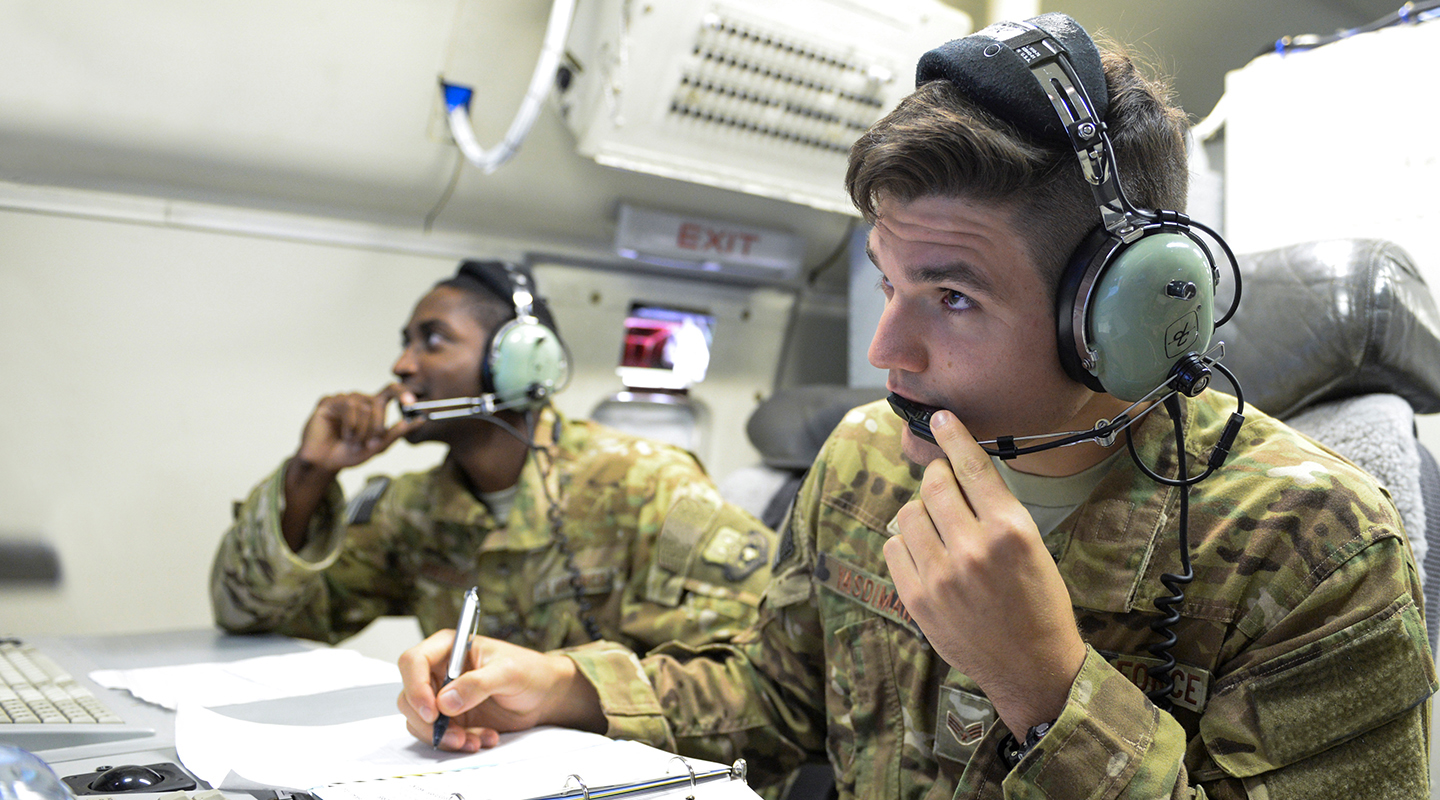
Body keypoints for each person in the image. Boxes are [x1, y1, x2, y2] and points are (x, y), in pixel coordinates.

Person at [392, 15, 1435, 798]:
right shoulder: (862, 460)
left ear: (1119, 317)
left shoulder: (1315, 547)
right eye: (890, 283)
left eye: (953, 295)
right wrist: (564, 684)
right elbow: (774, 697)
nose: (887, 348)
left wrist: (1046, 682)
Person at [211, 260, 777, 662]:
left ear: (518, 365)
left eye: (432, 341)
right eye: (406, 342)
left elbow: (747, 673)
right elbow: (253, 618)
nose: (402, 365)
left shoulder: (652, 486)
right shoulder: (412, 510)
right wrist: (311, 473)